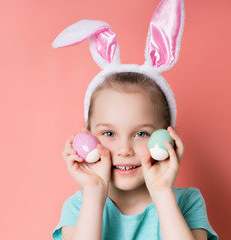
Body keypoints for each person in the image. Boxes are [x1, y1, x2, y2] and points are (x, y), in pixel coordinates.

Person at [51, 1, 218, 239]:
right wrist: (94, 191)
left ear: (167, 137)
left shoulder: (187, 203)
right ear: (85, 137)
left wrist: (161, 191)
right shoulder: (79, 207)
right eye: (109, 133)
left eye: (141, 134)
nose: (124, 150)